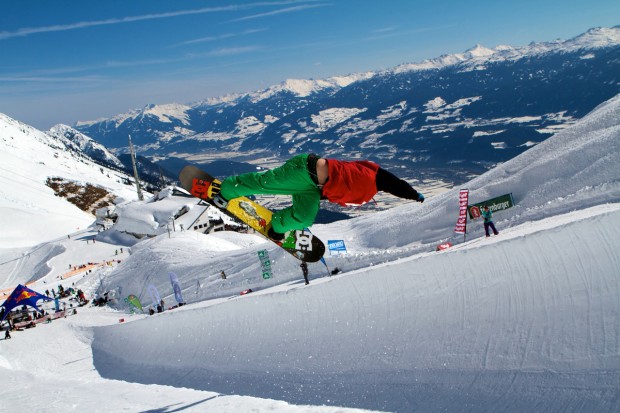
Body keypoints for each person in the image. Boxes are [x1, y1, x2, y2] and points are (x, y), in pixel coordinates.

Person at [216, 153, 424, 240]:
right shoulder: (375, 176)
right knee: (265, 184)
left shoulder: (365, 188)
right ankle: (228, 189)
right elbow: (396, 184)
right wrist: (415, 195)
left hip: (313, 189)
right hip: (305, 171)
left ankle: (277, 225)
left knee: (305, 218)